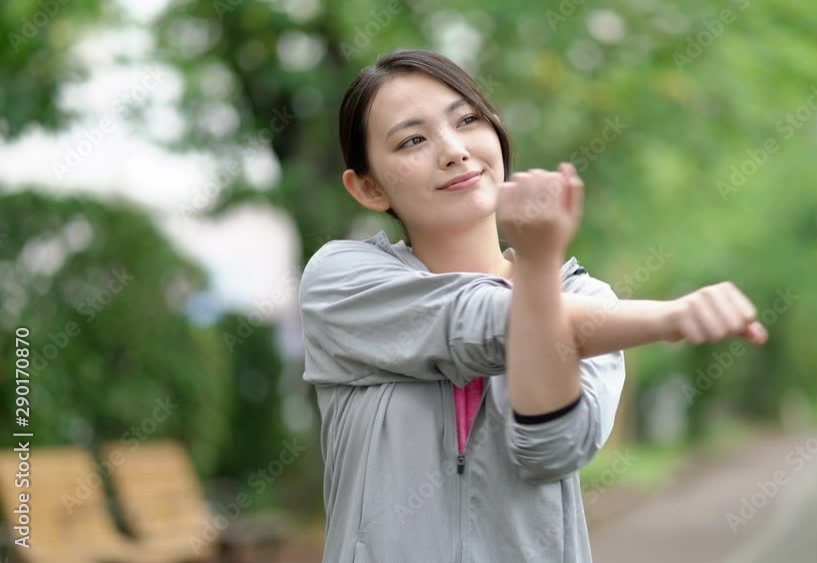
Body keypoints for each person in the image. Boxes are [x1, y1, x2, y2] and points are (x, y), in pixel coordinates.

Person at [299, 48, 769, 563]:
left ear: (497, 131)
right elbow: (477, 322)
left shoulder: (589, 302)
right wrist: (667, 318)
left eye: (467, 121)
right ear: (368, 187)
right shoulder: (343, 281)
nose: (454, 151)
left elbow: (550, 450)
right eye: (413, 139)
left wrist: (542, 269)